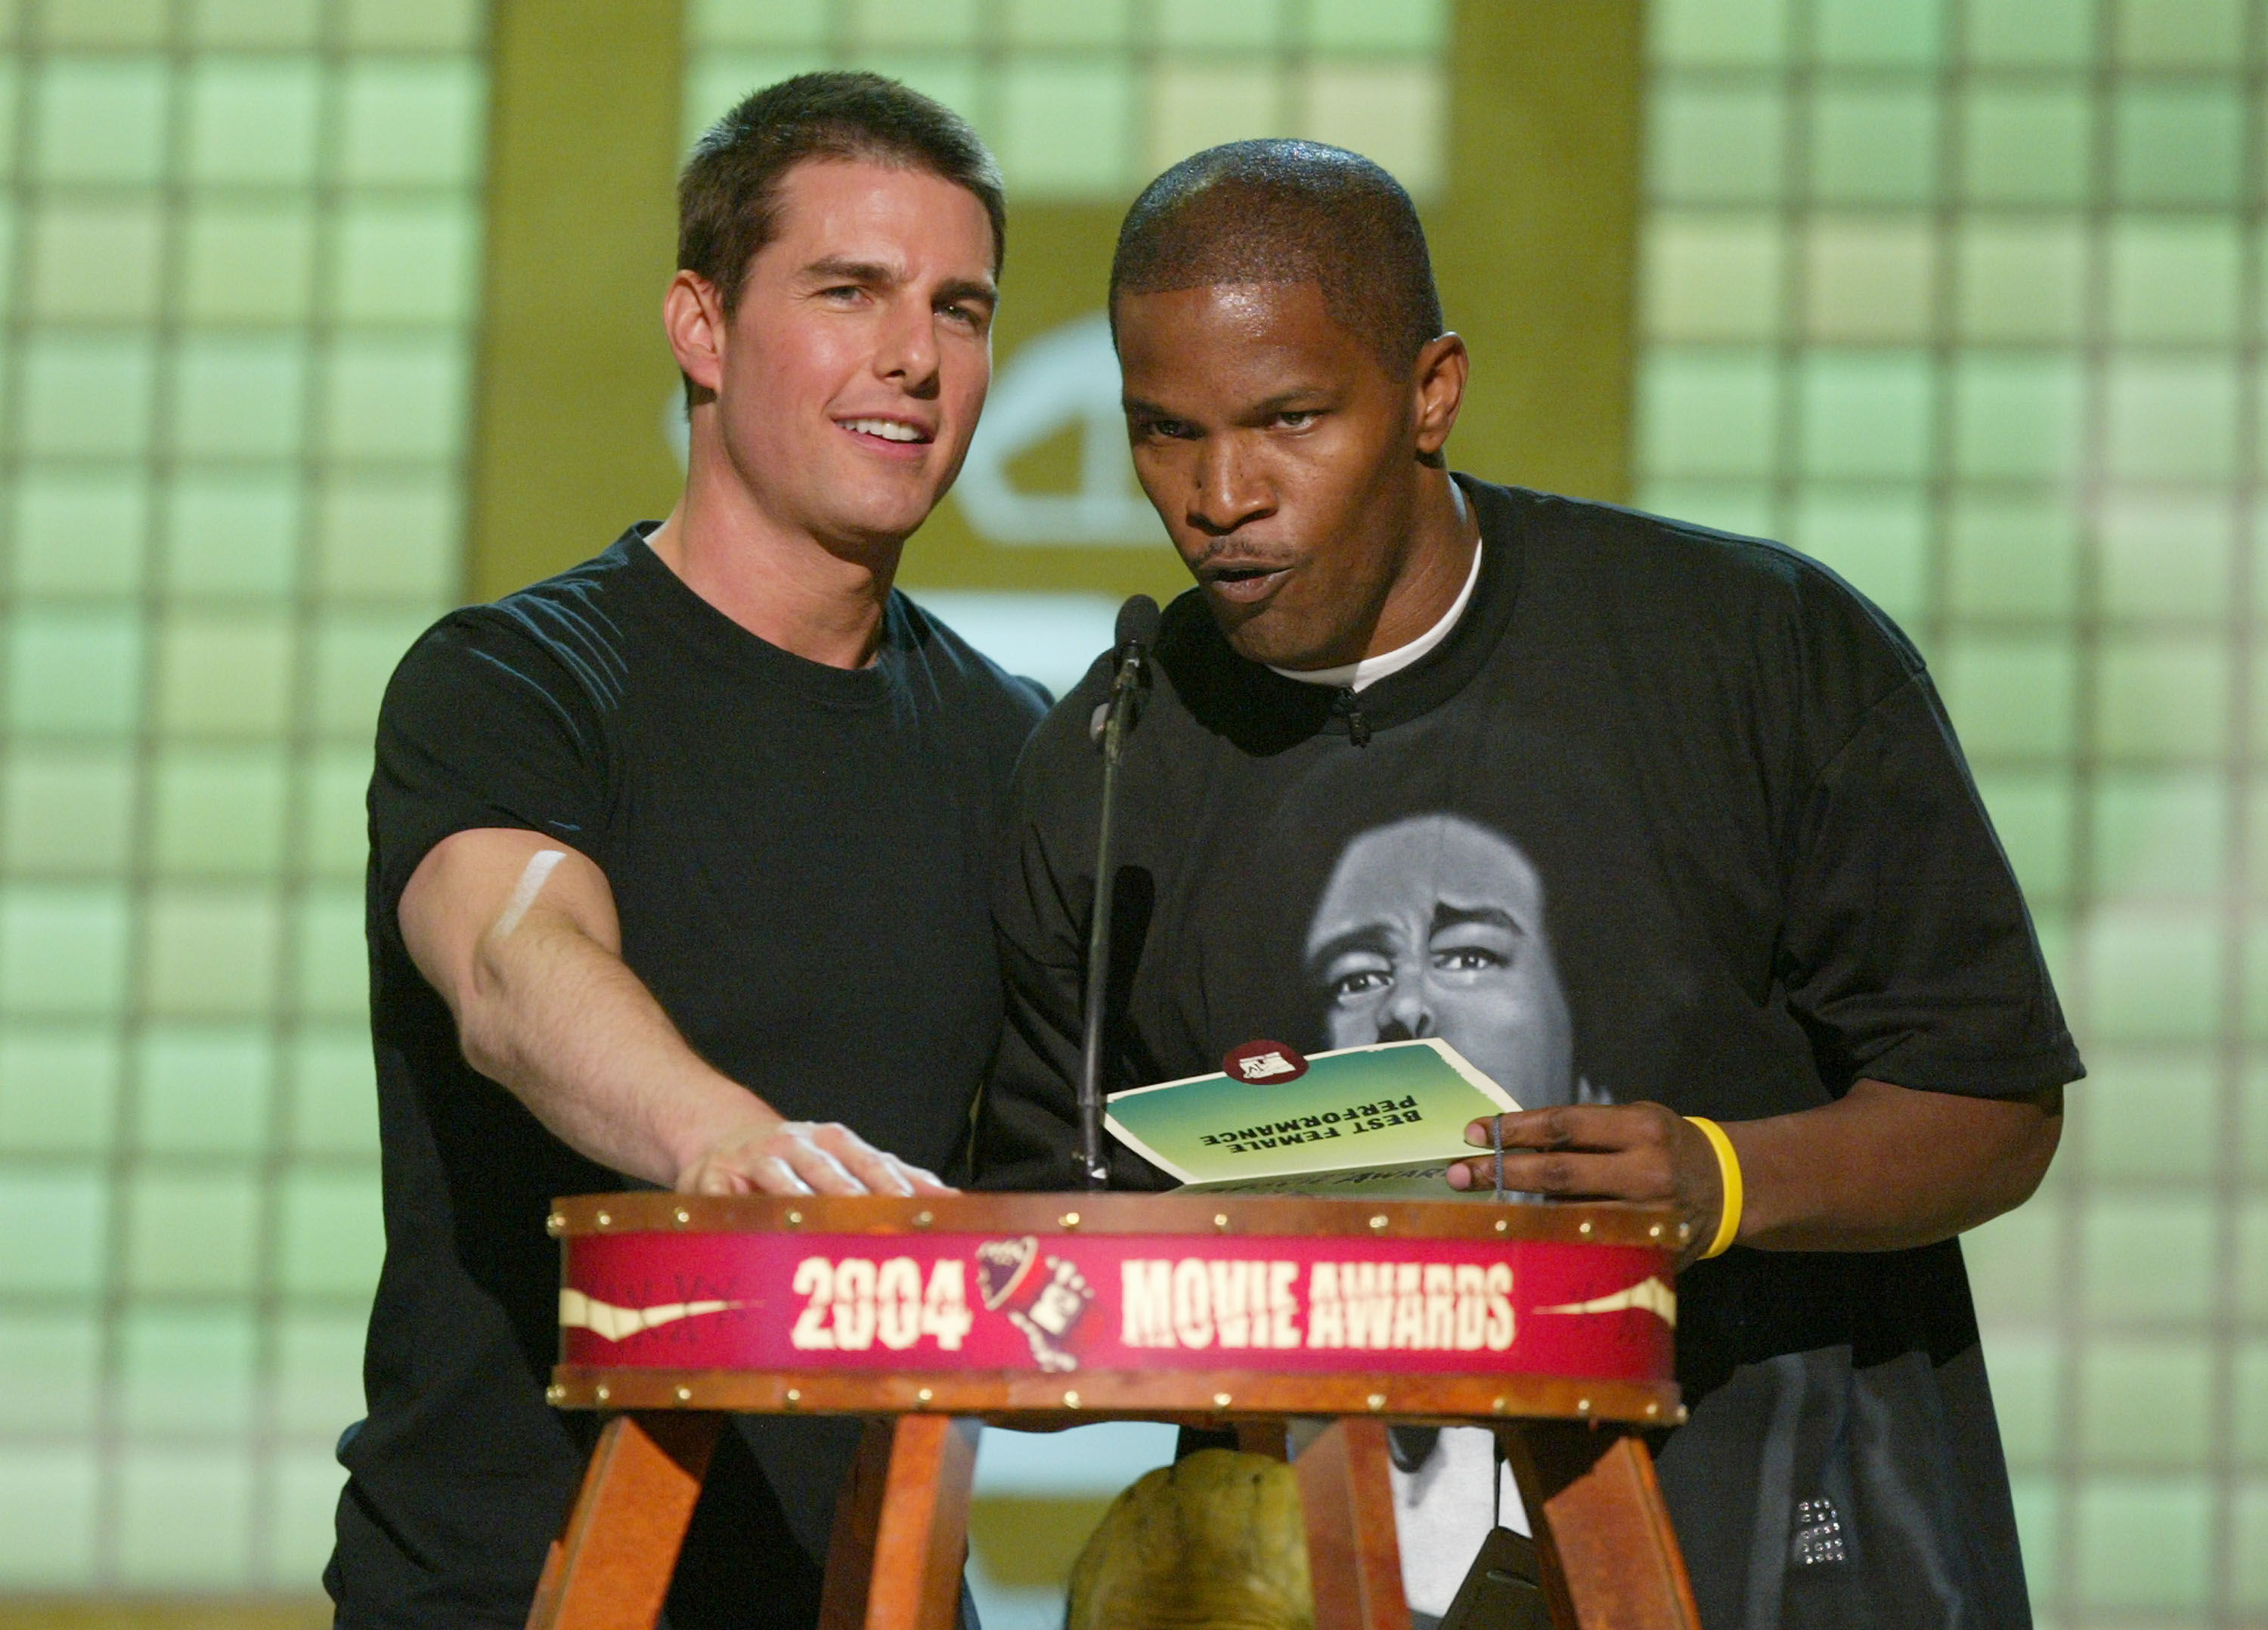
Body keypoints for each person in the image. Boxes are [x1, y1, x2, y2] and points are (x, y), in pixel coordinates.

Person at [974, 139, 2075, 1629]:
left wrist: (1722, 1180)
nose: (1220, 495)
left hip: (1769, 1558)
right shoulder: (1109, 757)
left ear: (1432, 391)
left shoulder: (1757, 650)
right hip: (1319, 1580)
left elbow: (1995, 1109)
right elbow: (1043, 1255)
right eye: (1164, 433)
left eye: (1290, 419)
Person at [330, 73, 1043, 1629]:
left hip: (874, 1592)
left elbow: (1078, 1159)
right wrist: (727, 1142)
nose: (915, 357)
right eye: (848, 292)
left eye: (961, 309)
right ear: (701, 328)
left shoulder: (1018, 746)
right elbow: (515, 966)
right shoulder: (514, 683)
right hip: (521, 1589)